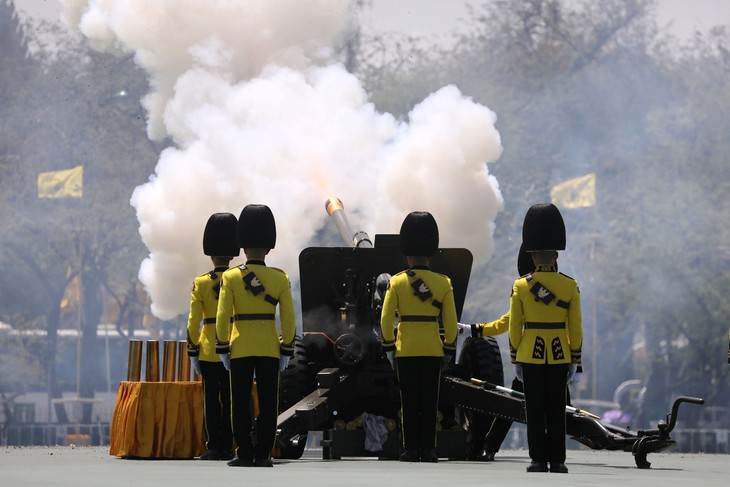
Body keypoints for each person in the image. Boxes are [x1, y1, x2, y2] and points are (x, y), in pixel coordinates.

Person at [215, 204, 296, 468]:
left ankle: (245, 452)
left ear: (243, 245)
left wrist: (223, 346)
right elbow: (288, 318)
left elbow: (223, 315)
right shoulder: (279, 278)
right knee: (269, 403)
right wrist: (286, 348)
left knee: (239, 403)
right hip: (269, 347)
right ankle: (263, 453)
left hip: (239, 347)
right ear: (269, 247)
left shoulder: (230, 277)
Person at [508, 203, 582, 474]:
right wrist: (576, 358)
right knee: (557, 410)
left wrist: (515, 355)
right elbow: (575, 326)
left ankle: (538, 459)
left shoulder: (521, 286)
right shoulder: (570, 285)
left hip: (530, 354)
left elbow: (516, 327)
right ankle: (558, 461)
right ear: (554, 254)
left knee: (535, 412)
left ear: (534, 255)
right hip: (561, 354)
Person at [380, 211, 459, 463]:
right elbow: (450, 323)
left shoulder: (397, 282)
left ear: (407, 254)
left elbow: (385, 321)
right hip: (433, 349)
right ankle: (429, 449)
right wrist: (448, 348)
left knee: (410, 402)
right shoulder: (443, 283)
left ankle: (411, 449)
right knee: (429, 402)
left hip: (406, 350)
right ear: (431, 252)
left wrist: (390, 346)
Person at [462, 243, 533, 462]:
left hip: (534, 357)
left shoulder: (528, 287)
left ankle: (549, 453)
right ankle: (490, 447)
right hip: (539, 358)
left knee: (559, 410)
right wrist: (474, 330)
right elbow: (508, 322)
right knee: (511, 407)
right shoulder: (529, 288)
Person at [186, 212, 238, 461]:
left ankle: (214, 445)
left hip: (208, 349)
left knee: (211, 401)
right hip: (235, 347)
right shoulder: (239, 279)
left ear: (211, 253)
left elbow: (193, 321)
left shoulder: (201, 283)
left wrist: (193, 349)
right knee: (231, 400)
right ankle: (229, 445)